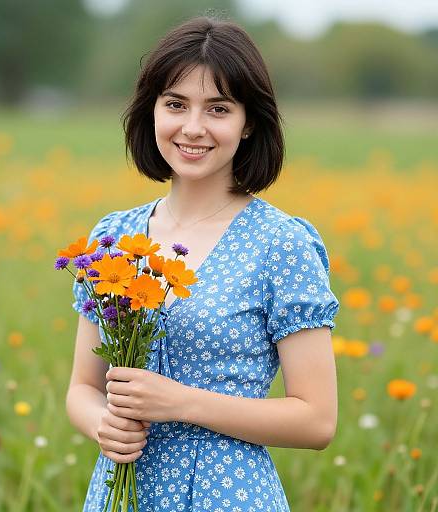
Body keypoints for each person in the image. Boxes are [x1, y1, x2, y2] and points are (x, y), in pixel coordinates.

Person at [66, 15, 340, 511]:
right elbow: (83, 388)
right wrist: (103, 425)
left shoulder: (282, 245)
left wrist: (181, 403)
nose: (193, 128)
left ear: (248, 121)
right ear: (151, 111)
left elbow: (316, 420)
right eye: (176, 104)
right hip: (119, 495)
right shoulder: (114, 238)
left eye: (218, 108)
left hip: (229, 496)